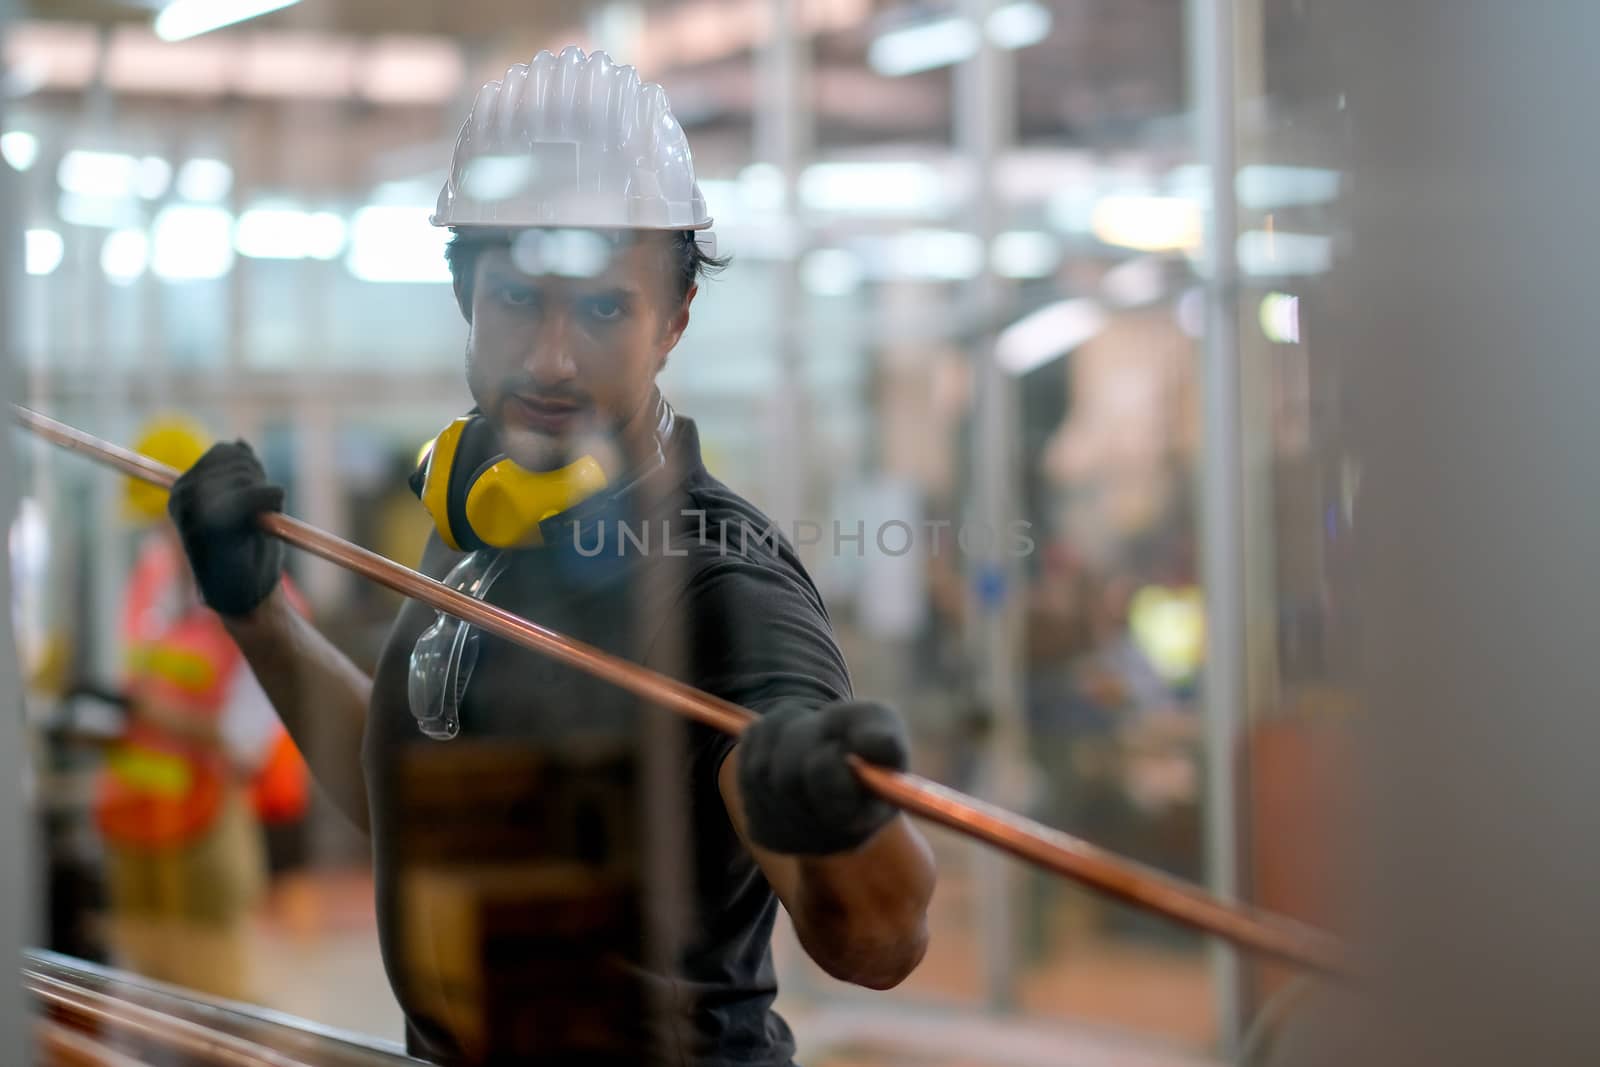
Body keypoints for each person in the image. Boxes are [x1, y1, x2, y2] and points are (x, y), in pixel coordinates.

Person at [165, 47, 935, 1065]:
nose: (551, 359)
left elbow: (877, 944)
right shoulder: (491, 511)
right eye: (519, 299)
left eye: (605, 307)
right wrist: (259, 612)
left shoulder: (717, 578)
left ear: (674, 320)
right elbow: (410, 794)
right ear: (465, 299)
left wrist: (845, 828)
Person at [95, 416, 309, 1000]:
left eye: (163, 524)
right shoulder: (152, 578)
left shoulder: (258, 600)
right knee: (149, 1001)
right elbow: (137, 674)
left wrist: (151, 716)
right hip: (135, 823)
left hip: (205, 825)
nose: (159, 540)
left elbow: (245, 740)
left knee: (216, 999)